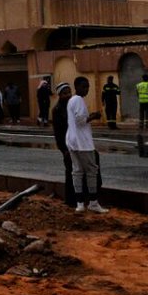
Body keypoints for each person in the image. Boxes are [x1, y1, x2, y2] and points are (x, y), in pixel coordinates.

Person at [66, 76, 108, 213]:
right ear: (77, 86)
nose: (87, 89)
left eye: (88, 86)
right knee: (91, 171)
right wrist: (94, 116)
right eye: (84, 86)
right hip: (82, 142)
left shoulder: (71, 100)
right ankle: (93, 202)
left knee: (77, 171)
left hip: (72, 141)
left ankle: (79, 204)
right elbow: (80, 120)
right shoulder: (78, 100)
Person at [51, 83, 76, 208]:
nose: (68, 95)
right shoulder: (57, 110)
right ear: (60, 95)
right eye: (65, 93)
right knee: (70, 172)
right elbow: (58, 132)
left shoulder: (72, 106)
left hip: (75, 144)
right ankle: (70, 200)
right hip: (66, 146)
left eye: (69, 92)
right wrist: (64, 149)